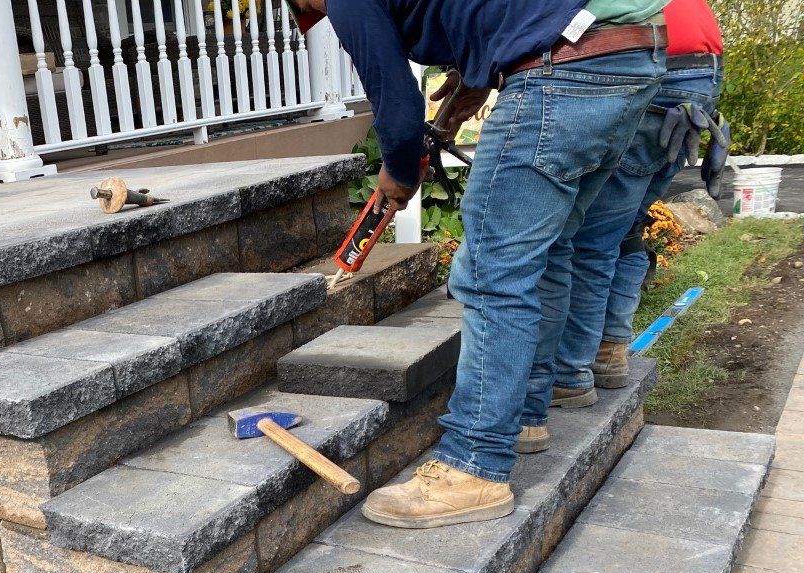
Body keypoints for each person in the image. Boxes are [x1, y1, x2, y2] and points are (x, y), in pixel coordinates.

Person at [290, 0, 668, 528]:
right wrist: (478, 77)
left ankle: (474, 464)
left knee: (494, 276)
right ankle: (526, 419)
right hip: (630, 60)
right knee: (549, 251)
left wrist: (399, 171)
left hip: (562, 69)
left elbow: (395, 103)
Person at [516, 0, 726, 454]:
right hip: (699, 69)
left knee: (588, 239)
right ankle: (608, 351)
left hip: (648, 61)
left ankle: (572, 373)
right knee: (625, 227)